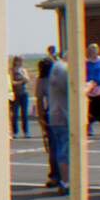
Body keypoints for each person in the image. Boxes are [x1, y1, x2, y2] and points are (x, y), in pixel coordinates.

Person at [47, 55, 70, 195]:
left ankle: (59, 178)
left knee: (59, 149)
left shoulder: (55, 67)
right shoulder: (65, 69)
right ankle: (66, 182)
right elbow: (72, 92)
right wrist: (88, 87)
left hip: (55, 114)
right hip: (64, 116)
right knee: (65, 151)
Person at [36, 58, 59, 188]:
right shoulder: (41, 80)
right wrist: (40, 118)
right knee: (54, 147)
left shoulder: (58, 77)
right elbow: (39, 99)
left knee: (60, 147)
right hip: (50, 115)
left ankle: (63, 174)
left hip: (61, 113)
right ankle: (55, 174)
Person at [10, 55, 30, 138]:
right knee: (15, 113)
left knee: (24, 114)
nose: (21, 63)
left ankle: (26, 131)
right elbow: (12, 82)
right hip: (16, 94)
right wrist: (21, 82)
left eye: (22, 61)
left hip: (23, 93)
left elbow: (27, 80)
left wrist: (21, 74)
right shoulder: (12, 71)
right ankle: (15, 131)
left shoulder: (23, 71)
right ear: (15, 61)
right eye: (19, 61)